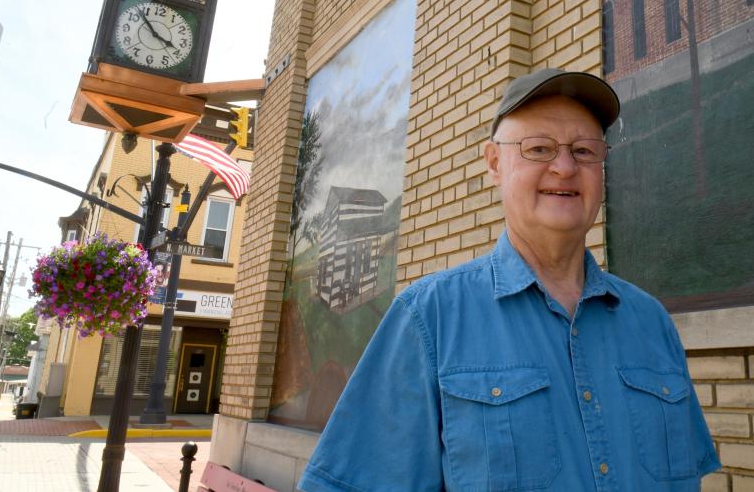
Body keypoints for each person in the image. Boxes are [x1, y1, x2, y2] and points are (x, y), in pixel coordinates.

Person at [298, 68, 719, 491]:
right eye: (539, 148)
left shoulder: (652, 323)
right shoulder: (430, 320)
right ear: (495, 163)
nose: (565, 167)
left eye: (585, 151)